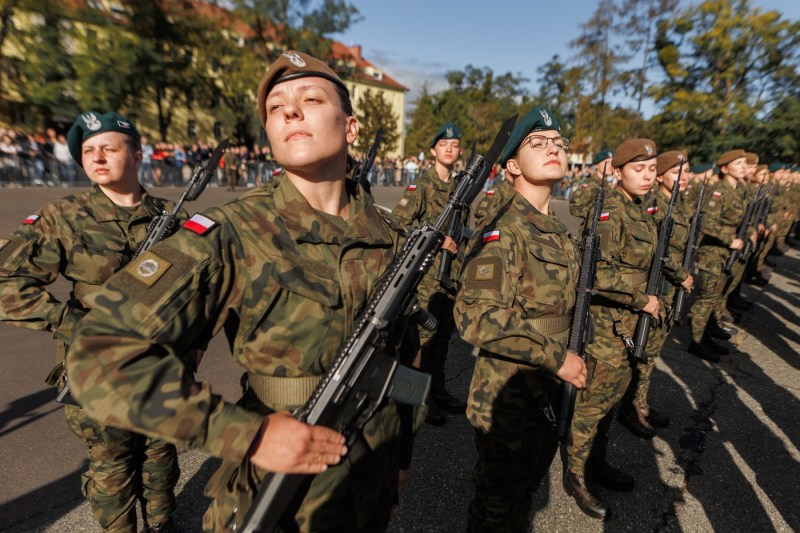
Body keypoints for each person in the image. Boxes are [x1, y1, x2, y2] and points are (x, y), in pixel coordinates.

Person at [66, 50, 416, 532]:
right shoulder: (229, 230)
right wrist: (244, 434)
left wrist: (401, 458)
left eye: (311, 98)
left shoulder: (392, 236)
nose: (290, 111)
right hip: (282, 490)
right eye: (275, 108)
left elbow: (404, 361)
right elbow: (98, 352)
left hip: (370, 474)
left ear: (351, 128)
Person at [0, 111, 180, 532]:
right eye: (87, 150)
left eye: (109, 148)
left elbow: (205, 288)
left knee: (160, 454)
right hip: (97, 367)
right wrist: (72, 323)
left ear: (137, 155)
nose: (97, 157)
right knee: (112, 464)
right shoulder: (65, 215)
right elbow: (7, 282)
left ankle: (164, 524)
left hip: (162, 364)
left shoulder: (173, 217)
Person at [454, 106, 587, 531]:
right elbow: (476, 316)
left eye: (558, 143)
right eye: (538, 142)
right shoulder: (504, 227)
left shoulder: (558, 231)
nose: (553, 148)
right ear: (512, 165)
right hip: (511, 396)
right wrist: (557, 357)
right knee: (495, 509)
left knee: (523, 498)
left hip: (549, 387)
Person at [564, 139, 660, 519]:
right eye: (639, 169)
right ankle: (576, 476)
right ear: (617, 172)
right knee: (591, 406)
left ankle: (596, 464)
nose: (648, 176)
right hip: (606, 327)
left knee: (613, 398)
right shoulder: (609, 211)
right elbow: (597, 272)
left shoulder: (640, 210)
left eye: (652, 169)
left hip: (629, 324)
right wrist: (641, 301)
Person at [393, 122, 468, 426]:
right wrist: (435, 240)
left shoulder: (460, 187)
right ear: (433, 150)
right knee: (421, 341)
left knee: (441, 340)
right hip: (425, 278)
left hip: (449, 278)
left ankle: (436, 391)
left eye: (455, 145)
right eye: (444, 145)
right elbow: (399, 224)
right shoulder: (421, 186)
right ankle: (415, 401)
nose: (450, 149)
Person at [618, 150, 693, 439]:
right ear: (662, 177)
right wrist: (681, 274)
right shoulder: (655, 206)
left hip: (668, 291)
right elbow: (658, 254)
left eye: (685, 173)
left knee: (652, 353)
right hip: (658, 287)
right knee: (643, 353)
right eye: (676, 173)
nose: (683, 178)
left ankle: (640, 402)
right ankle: (632, 406)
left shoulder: (674, 204)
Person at [687, 149, 754, 362]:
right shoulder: (719, 191)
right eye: (738, 163)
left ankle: (707, 334)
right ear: (724, 168)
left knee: (717, 295)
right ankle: (696, 342)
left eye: (745, 163)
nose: (743, 166)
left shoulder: (739, 189)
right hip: (713, 252)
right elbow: (706, 222)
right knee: (706, 298)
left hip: (727, 253)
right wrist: (729, 238)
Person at [569, 149, 613, 219]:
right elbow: (574, 208)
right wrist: (597, 215)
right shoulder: (589, 184)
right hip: (592, 227)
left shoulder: (609, 186)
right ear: (596, 165)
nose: (610, 166)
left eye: (612, 162)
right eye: (607, 162)